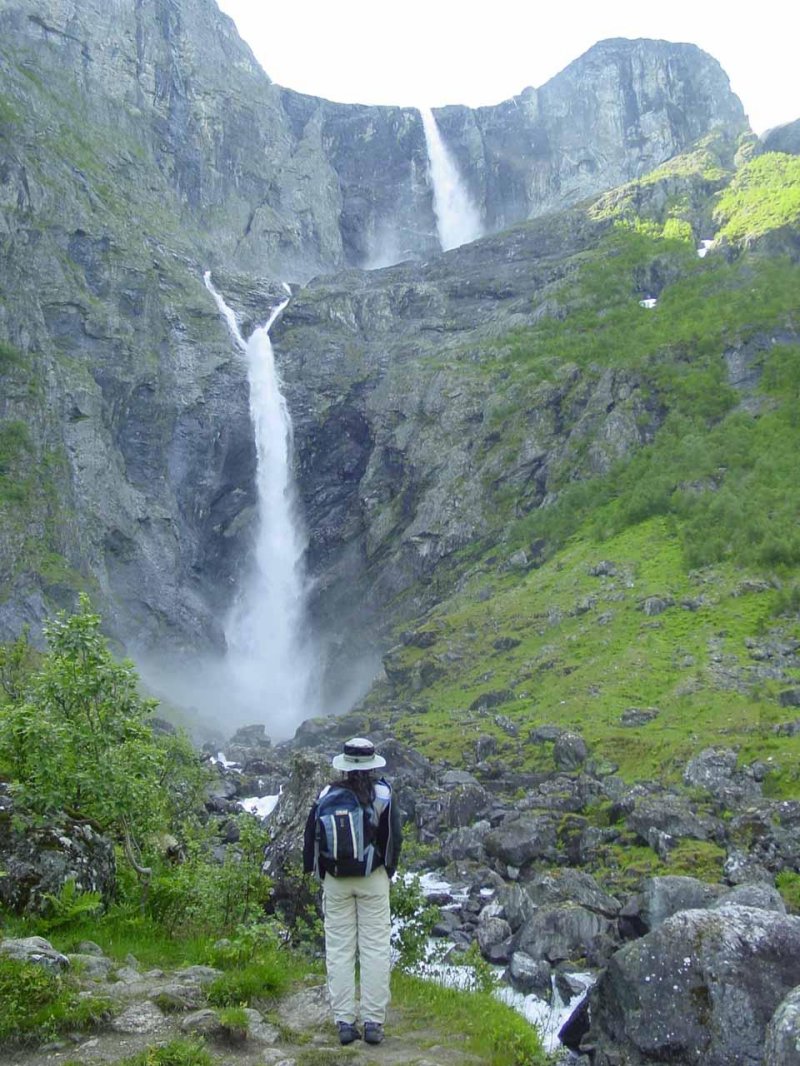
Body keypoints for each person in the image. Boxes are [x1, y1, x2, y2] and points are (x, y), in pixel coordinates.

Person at [303, 736, 402, 1046]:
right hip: (372, 877)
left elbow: (311, 840)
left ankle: (345, 1022)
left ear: (344, 767)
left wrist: (318, 873)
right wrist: (387, 872)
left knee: (340, 950)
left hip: (335, 879)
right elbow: (393, 839)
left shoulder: (326, 794)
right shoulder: (383, 794)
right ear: (372, 765)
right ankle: (373, 1022)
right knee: (374, 948)